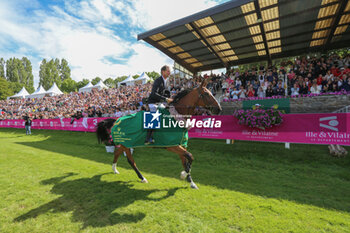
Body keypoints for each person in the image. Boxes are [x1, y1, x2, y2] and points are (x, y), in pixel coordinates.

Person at [145, 65, 173, 145]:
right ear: (163, 72)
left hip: (160, 102)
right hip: (152, 102)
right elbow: (154, 93)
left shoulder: (167, 81)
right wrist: (165, 99)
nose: (169, 72)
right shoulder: (158, 80)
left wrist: (169, 99)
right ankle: (148, 138)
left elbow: (166, 93)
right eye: (168, 71)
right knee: (154, 116)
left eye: (169, 71)